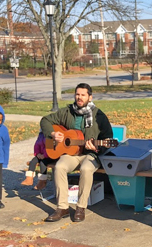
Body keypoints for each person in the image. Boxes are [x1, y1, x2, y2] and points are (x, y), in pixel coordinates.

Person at [41, 83, 113, 222]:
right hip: (72, 154)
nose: (79, 98)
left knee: (86, 169)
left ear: (90, 97)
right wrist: (53, 134)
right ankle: (62, 207)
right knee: (60, 166)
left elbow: (108, 138)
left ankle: (81, 207)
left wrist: (97, 147)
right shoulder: (67, 111)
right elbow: (45, 120)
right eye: (77, 94)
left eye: (83, 95)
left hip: (91, 154)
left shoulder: (99, 115)